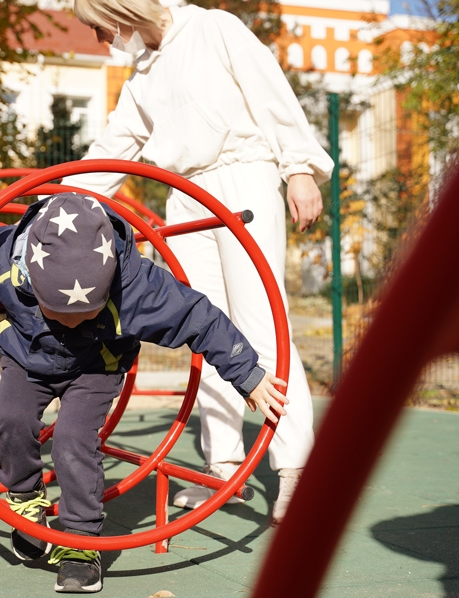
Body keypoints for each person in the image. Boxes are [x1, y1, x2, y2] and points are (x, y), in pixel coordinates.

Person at [63, 0, 334, 525]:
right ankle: (224, 465)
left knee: (261, 322)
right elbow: (108, 152)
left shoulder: (213, 28)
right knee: (203, 324)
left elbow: (270, 92)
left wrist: (298, 167)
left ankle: (297, 469)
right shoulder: (143, 74)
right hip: (186, 197)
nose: (100, 40)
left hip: (243, 179)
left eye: (99, 27)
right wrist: (53, 202)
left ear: (118, 10)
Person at [0, 193, 288, 593]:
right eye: (58, 311)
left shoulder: (135, 286)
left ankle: (82, 543)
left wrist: (247, 373)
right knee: (9, 422)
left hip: (96, 367)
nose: (70, 321)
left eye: (85, 311)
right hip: (27, 356)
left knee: (72, 440)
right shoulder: (5, 258)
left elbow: (199, 318)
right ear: (32, 275)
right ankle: (26, 499)